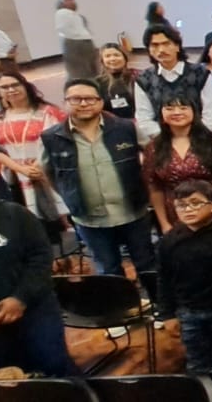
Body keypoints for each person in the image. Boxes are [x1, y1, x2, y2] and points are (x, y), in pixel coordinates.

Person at [39, 79, 156, 278]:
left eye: (90, 99)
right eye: (76, 99)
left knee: (147, 265)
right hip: (89, 220)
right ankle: (120, 300)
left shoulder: (125, 128)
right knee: (108, 271)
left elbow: (152, 155)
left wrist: (147, 190)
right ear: (65, 102)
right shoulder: (51, 138)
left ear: (101, 102)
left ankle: (155, 298)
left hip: (134, 213)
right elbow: (50, 173)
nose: (84, 103)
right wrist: (70, 196)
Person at [157, 180, 212, 374]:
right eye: (181, 205)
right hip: (189, 312)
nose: (188, 209)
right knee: (197, 362)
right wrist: (167, 315)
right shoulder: (169, 241)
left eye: (196, 203)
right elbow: (164, 279)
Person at [0, 190, 77, 377]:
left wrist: (20, 298)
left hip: (36, 309)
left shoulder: (16, 215)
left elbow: (41, 259)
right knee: (14, 378)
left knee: (54, 367)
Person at [143, 95, 212, 233]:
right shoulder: (154, 147)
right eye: (169, 109)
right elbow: (155, 187)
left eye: (183, 108)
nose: (177, 112)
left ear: (194, 112)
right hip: (177, 216)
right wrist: (164, 224)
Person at [0, 73, 68, 237]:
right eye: (4, 87)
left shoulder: (48, 112)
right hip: (16, 180)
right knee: (30, 228)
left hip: (47, 173)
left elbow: (60, 140)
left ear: (25, 86)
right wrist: (20, 168)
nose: (11, 90)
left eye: (15, 85)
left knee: (61, 225)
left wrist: (38, 165)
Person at [134, 24, 212, 142]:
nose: (161, 50)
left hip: (200, 139)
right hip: (163, 141)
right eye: (155, 45)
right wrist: (171, 140)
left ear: (177, 46)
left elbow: (211, 114)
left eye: (166, 44)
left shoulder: (200, 73)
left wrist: (193, 139)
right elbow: (144, 118)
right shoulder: (144, 78)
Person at [55, 0, 97, 80]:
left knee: (91, 68)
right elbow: (63, 28)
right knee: (79, 71)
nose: (72, 1)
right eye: (68, 0)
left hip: (84, 42)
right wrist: (76, 37)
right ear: (61, 3)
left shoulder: (76, 15)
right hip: (75, 44)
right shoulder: (61, 13)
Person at [96, 43, 138, 120]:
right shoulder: (97, 82)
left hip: (137, 121)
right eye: (107, 56)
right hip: (110, 123)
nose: (112, 59)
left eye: (116, 55)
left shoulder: (137, 76)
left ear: (125, 58)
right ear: (102, 61)